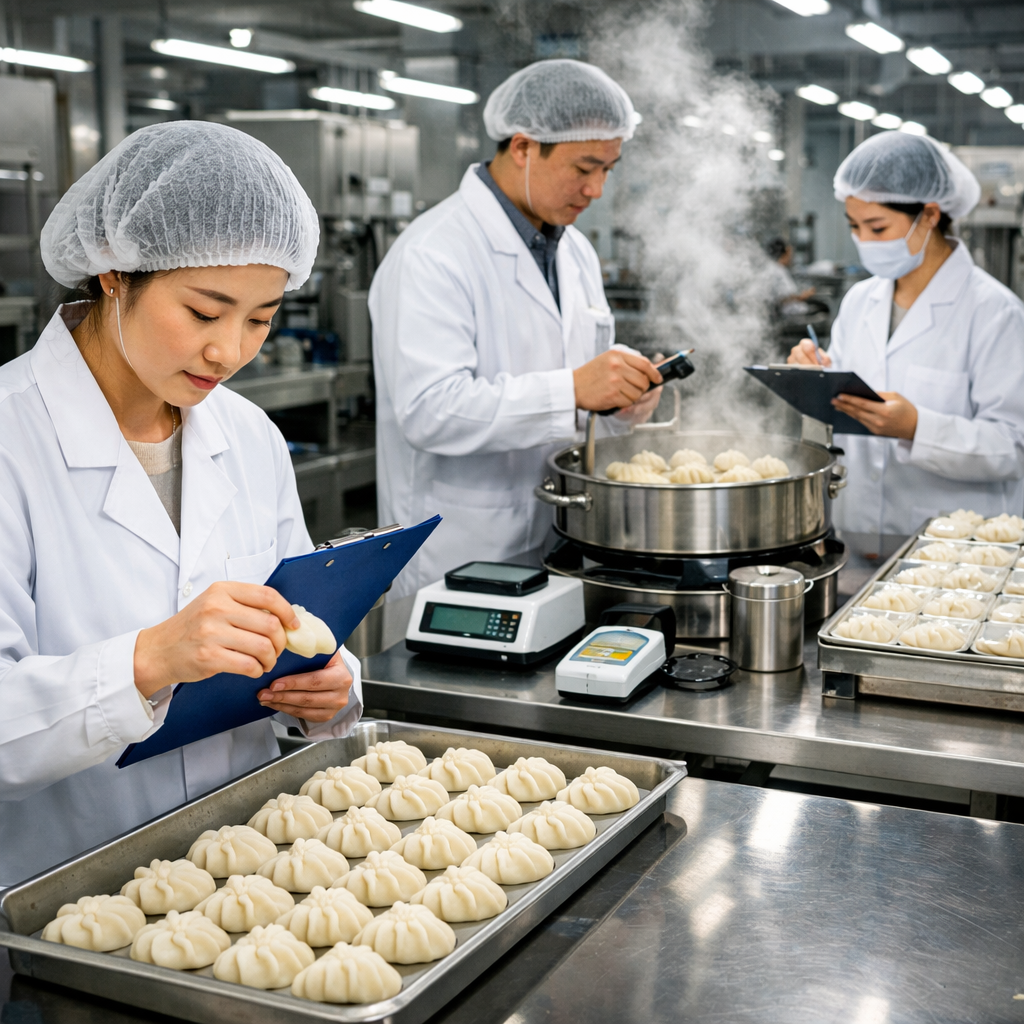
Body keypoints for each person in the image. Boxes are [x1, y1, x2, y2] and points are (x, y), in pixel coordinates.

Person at [0, 122, 363, 886]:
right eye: (205, 311)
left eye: (261, 319)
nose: (229, 351)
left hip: (251, 871)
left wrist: (327, 686)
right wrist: (149, 660)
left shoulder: (249, 434)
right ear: (113, 274)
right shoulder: (11, 439)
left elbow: (294, 617)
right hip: (67, 887)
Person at [370, 60, 664, 597]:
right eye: (584, 167)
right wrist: (573, 389)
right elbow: (429, 410)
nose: (597, 189)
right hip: (460, 551)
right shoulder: (433, 253)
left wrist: (620, 405)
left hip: (562, 539)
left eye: (609, 169)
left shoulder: (574, 250)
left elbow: (577, 400)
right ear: (524, 147)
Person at [788, 131, 1024, 535]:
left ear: (930, 215)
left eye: (877, 228)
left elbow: (1012, 448)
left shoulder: (996, 313)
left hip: (952, 548)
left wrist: (918, 427)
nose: (863, 241)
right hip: (856, 534)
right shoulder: (861, 300)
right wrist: (816, 376)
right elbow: (841, 407)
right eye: (854, 226)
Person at [765, 237, 815, 305]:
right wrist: (802, 296)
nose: (792, 256)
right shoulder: (777, 271)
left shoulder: (776, 269)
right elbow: (782, 297)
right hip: (792, 313)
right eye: (791, 252)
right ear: (787, 251)